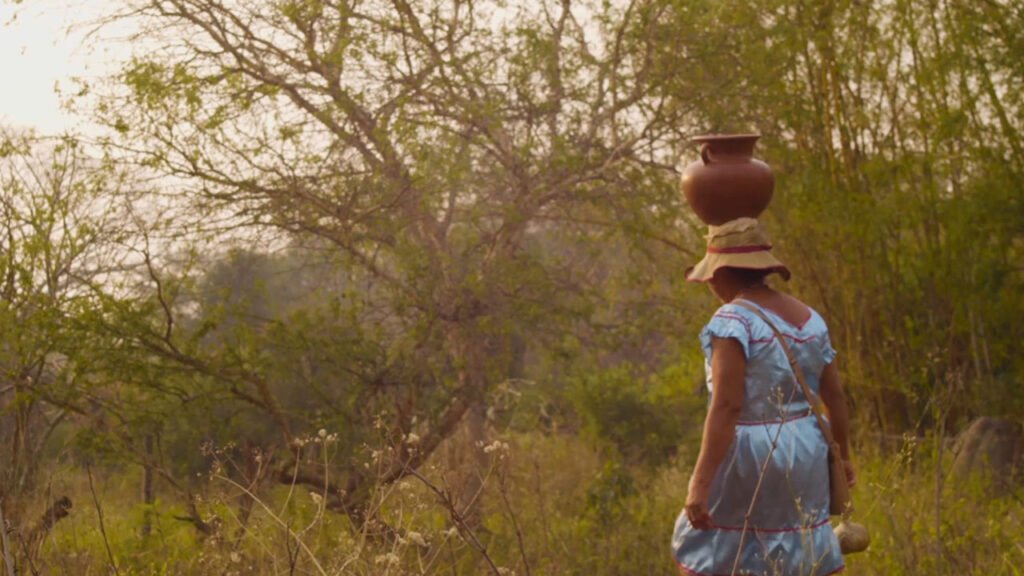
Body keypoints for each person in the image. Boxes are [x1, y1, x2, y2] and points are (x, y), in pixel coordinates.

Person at [672, 218, 854, 576]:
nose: (710, 284)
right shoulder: (811, 318)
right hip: (808, 448)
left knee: (719, 549)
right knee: (800, 551)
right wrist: (843, 457)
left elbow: (727, 406)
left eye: (711, 275)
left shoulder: (732, 320)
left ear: (722, 272)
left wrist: (699, 484)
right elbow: (835, 396)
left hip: (753, 454)